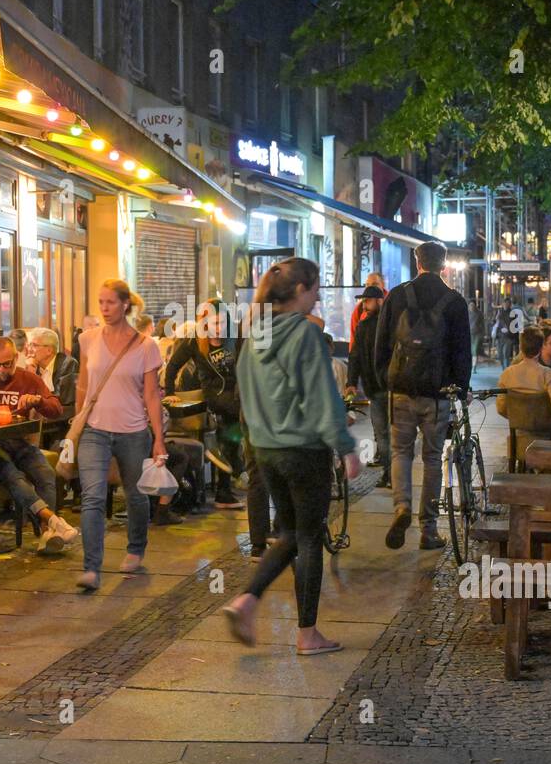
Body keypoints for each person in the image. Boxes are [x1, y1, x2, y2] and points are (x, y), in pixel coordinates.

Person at [222, 258, 361, 655]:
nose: (318, 296)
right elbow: (322, 396)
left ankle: (247, 600)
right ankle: (306, 633)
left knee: (288, 534)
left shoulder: (255, 333)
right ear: (301, 290)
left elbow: (244, 395)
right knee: (309, 537)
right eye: (316, 288)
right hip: (303, 450)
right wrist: (346, 447)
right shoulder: (304, 335)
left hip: (266, 449)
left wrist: (257, 440)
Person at [374, 240, 472, 550]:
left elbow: (382, 342)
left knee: (401, 452)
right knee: (432, 459)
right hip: (437, 394)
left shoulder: (397, 296)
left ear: (417, 262)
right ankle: (428, 529)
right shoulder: (454, 301)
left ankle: (401, 506)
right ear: (444, 266)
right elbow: (462, 351)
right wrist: (461, 387)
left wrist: (385, 378)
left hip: (401, 390)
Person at [74, 280, 168, 590]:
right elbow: (83, 385)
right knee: (92, 497)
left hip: (133, 431)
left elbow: (152, 395)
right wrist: (76, 425)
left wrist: (158, 438)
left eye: (110, 302)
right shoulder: (88, 339)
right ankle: (91, 567)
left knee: (136, 495)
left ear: (125, 305)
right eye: (100, 302)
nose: (104, 308)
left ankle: (136, 547)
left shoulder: (145, 345)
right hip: (94, 430)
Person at [0, 336, 78, 554]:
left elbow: (57, 408)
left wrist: (38, 401)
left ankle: (47, 534)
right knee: (15, 477)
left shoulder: (28, 379)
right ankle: (52, 521)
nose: (1, 370)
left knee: (45, 473)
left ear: (16, 358)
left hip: (20, 442)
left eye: (7, 364)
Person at [164, 297, 244, 509]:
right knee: (233, 429)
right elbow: (172, 366)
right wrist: (170, 392)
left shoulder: (236, 338)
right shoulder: (195, 341)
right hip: (214, 396)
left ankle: (228, 483)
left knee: (232, 436)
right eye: (213, 324)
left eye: (221, 323)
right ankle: (232, 479)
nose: (217, 328)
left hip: (236, 395)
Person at [345, 284, 390, 487]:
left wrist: (352, 382)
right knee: (386, 433)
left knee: (384, 433)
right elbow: (354, 356)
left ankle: (390, 474)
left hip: (385, 387)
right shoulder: (365, 326)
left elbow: (354, 357)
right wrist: (351, 382)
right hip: (380, 387)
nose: (364, 304)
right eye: (363, 300)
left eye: (368, 300)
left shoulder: (386, 325)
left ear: (379, 301)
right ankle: (390, 474)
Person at [495, 326, 551, 416]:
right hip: (545, 428)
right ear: (541, 348)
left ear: (521, 347)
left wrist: (518, 417)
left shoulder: (507, 374)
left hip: (518, 427)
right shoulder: (548, 374)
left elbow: (501, 408)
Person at [28, 326, 79, 415]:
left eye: (34, 345)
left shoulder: (68, 364)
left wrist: (38, 400)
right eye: (29, 345)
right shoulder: (33, 367)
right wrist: (30, 374)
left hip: (61, 422)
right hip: (41, 418)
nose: (29, 349)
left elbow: (62, 399)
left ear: (49, 350)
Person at [349, 271, 387, 339]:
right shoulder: (359, 308)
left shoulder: (392, 304)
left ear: (383, 285)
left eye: (375, 284)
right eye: (367, 285)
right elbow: (353, 337)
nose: (370, 288)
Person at [492, 304, 517, 369]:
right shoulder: (499, 314)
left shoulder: (513, 314)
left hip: (508, 337)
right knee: (500, 354)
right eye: (505, 304)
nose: (505, 305)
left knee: (506, 353)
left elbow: (515, 326)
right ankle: (503, 367)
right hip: (500, 338)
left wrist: (512, 335)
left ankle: (506, 368)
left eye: (507, 304)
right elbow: (494, 323)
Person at [467, 297, 484, 368]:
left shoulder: (479, 313)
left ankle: (474, 366)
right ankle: (470, 365)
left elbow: (482, 324)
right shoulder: (466, 313)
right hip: (468, 334)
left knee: (475, 350)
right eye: (470, 305)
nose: (472, 307)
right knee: (469, 350)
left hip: (477, 334)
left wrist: (482, 333)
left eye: (473, 305)